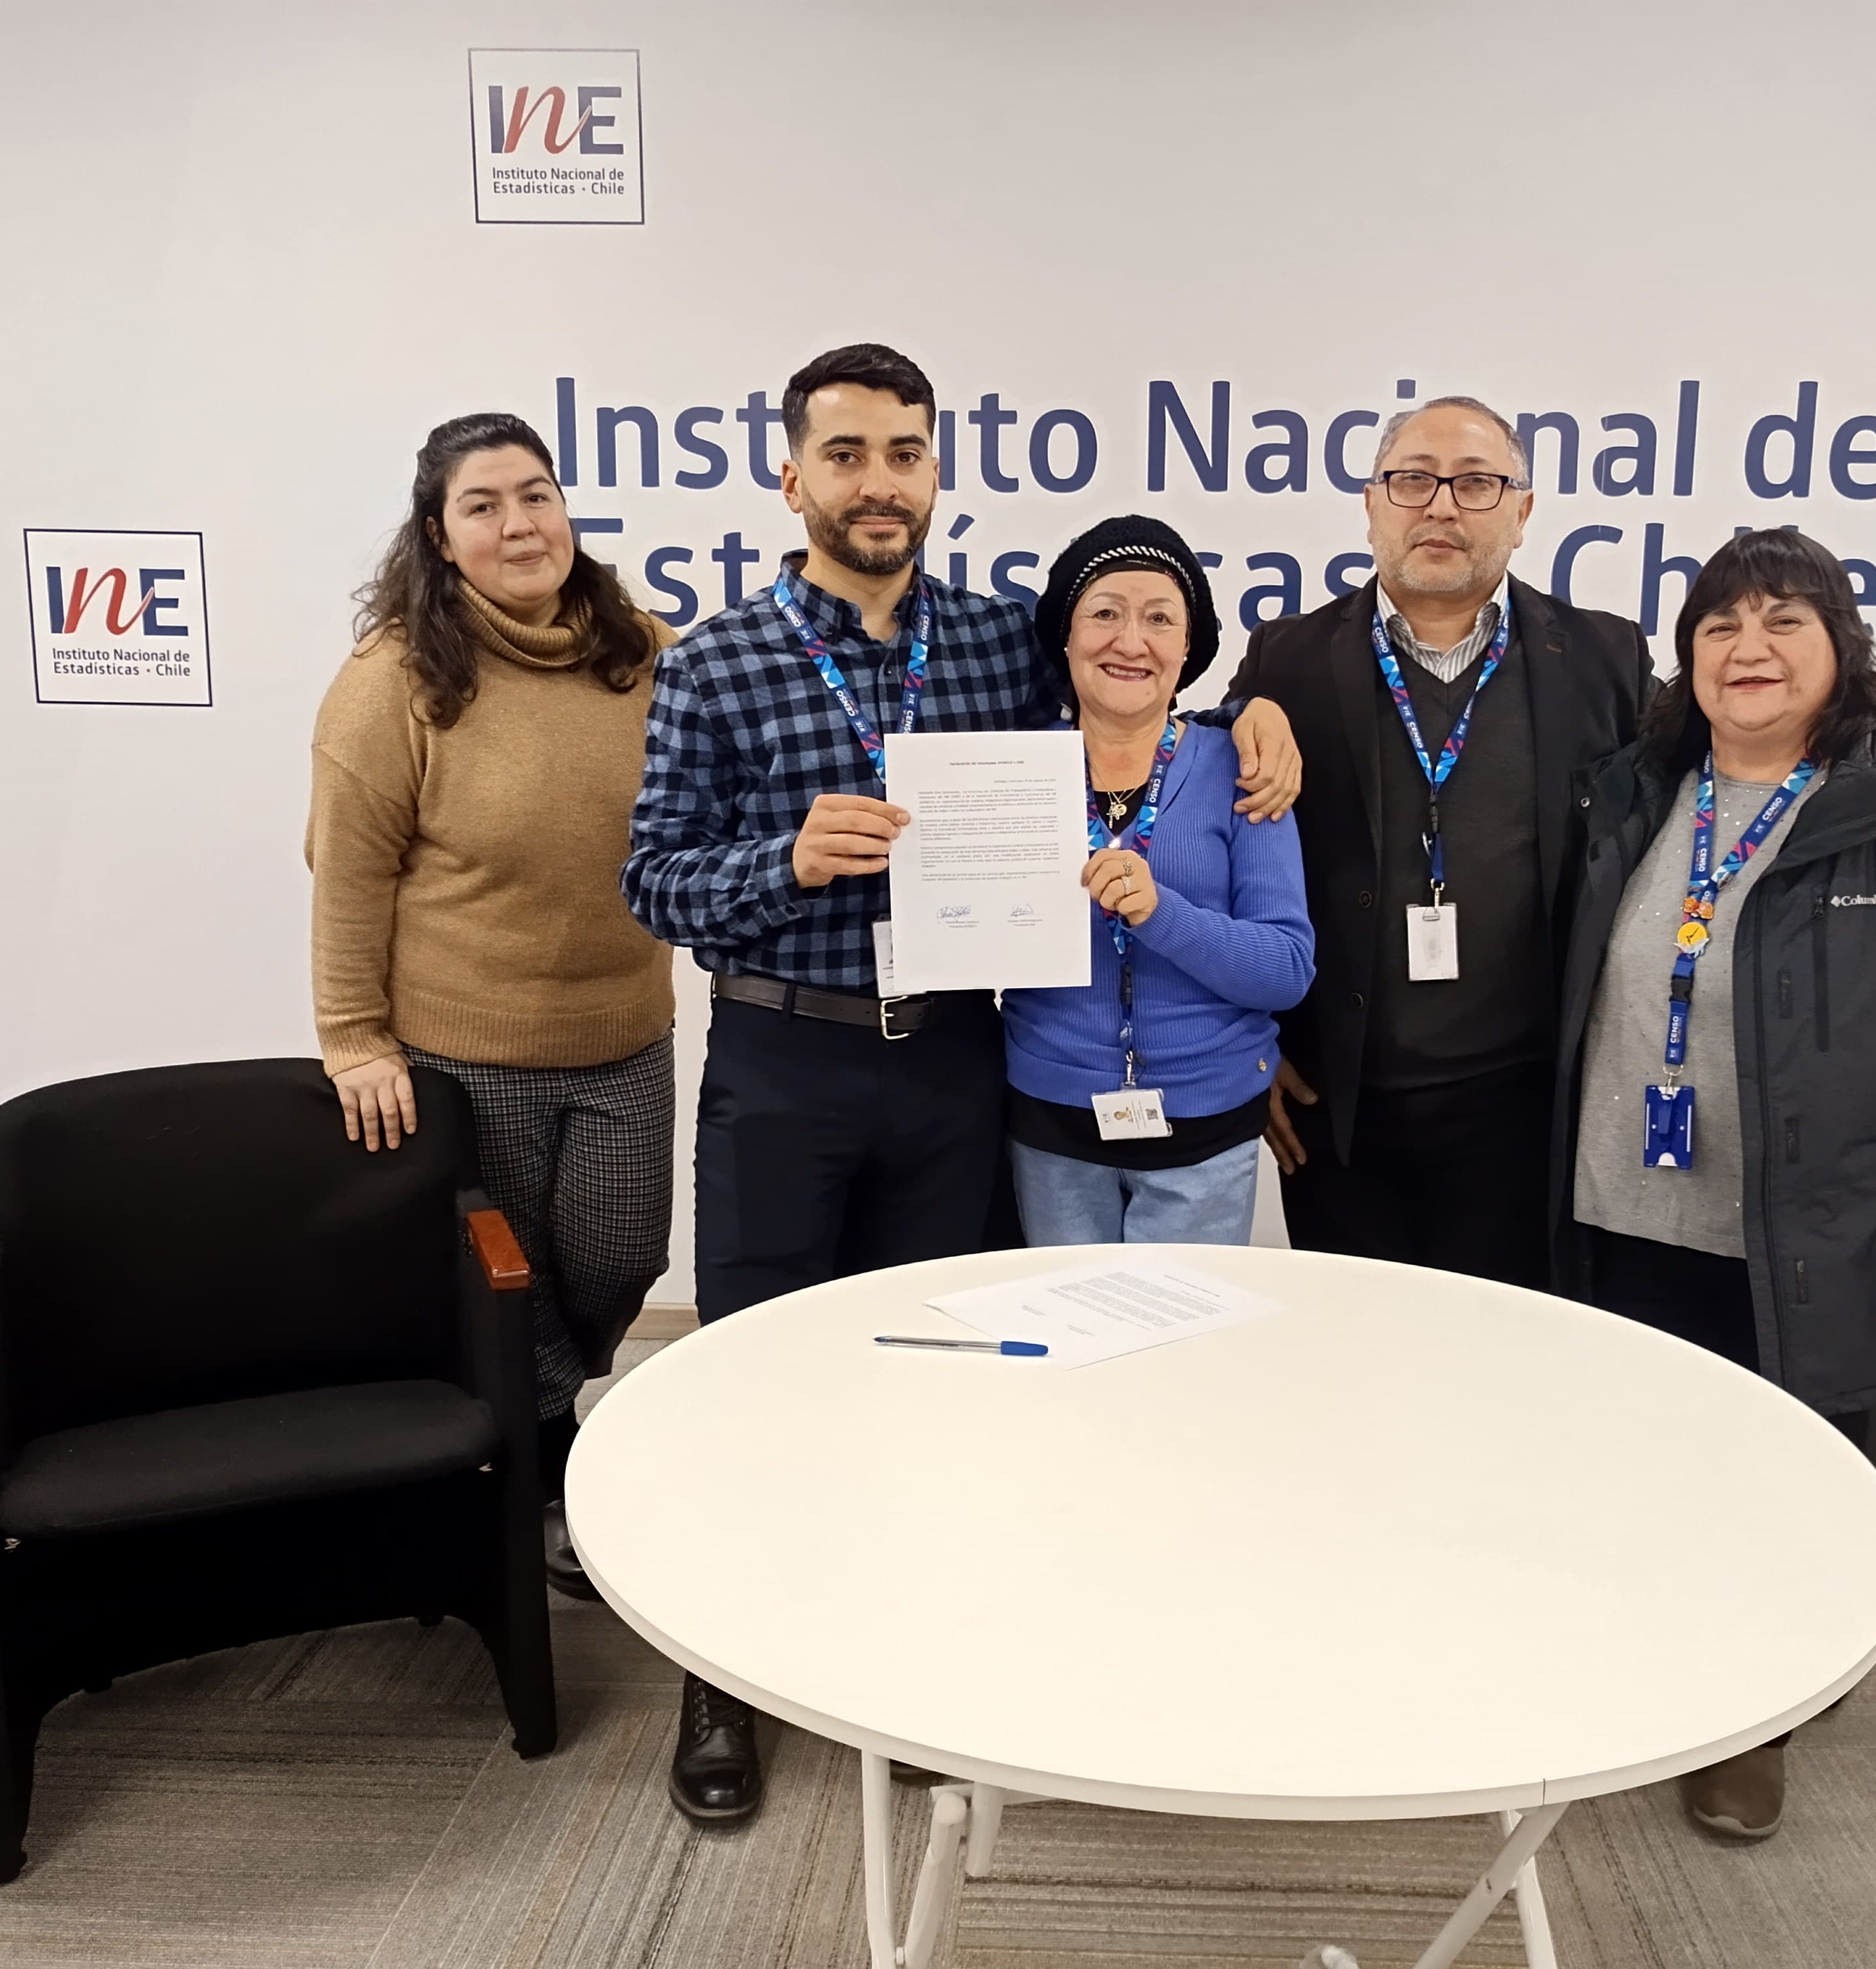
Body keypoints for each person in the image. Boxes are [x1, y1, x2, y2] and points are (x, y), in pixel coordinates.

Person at [623, 343, 1302, 1825]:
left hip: (952, 1057)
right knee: (753, 1368)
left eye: (906, 454)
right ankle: (720, 1680)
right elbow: (651, 880)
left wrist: (1257, 712)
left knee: (939, 1372)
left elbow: (1143, 685)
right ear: (791, 477)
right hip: (786, 1053)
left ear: (936, 474)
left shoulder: (1000, 643)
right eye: (847, 454)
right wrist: (783, 860)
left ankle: (903, 1653)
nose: (879, 484)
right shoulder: (717, 662)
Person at [1554, 525, 1876, 1842]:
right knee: (1647, 1466)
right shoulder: (1633, 794)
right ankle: (1655, 1669)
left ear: (1842, 647)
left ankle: (1759, 1721)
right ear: (1686, 656)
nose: (1749, 648)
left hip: (1813, 1229)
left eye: (1784, 620)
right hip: (1625, 1210)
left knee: (1795, 1487)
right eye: (1720, 624)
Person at [307, 412, 675, 1610]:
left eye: (536, 495)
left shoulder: (641, 650)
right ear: (439, 534)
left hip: (626, 1034)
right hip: (467, 1050)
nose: (519, 525)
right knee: (509, 1281)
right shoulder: (394, 680)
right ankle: (557, 1473)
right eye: (483, 505)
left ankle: (540, 1425)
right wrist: (353, 1038)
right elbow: (348, 874)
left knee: (618, 1262)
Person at [1232, 395, 1654, 1288]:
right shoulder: (1286, 662)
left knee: (1501, 1352)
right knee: (1356, 1346)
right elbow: (1221, 854)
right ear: (1372, 503)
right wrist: (1248, 1048)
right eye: (1413, 480)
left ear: (1522, 512)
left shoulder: (1605, 660)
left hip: (1525, 1106)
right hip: (1337, 1106)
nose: (1441, 506)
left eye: (1475, 483)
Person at [1003, 517, 1315, 1243]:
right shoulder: (1012, 772)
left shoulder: (1245, 770)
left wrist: (1161, 913)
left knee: (1179, 1318)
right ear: (1067, 638)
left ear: (1187, 648)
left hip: (1207, 1127)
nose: (1130, 641)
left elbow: (1286, 970)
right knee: (1064, 1312)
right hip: (1049, 1123)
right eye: (1105, 614)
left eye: (1159, 619)